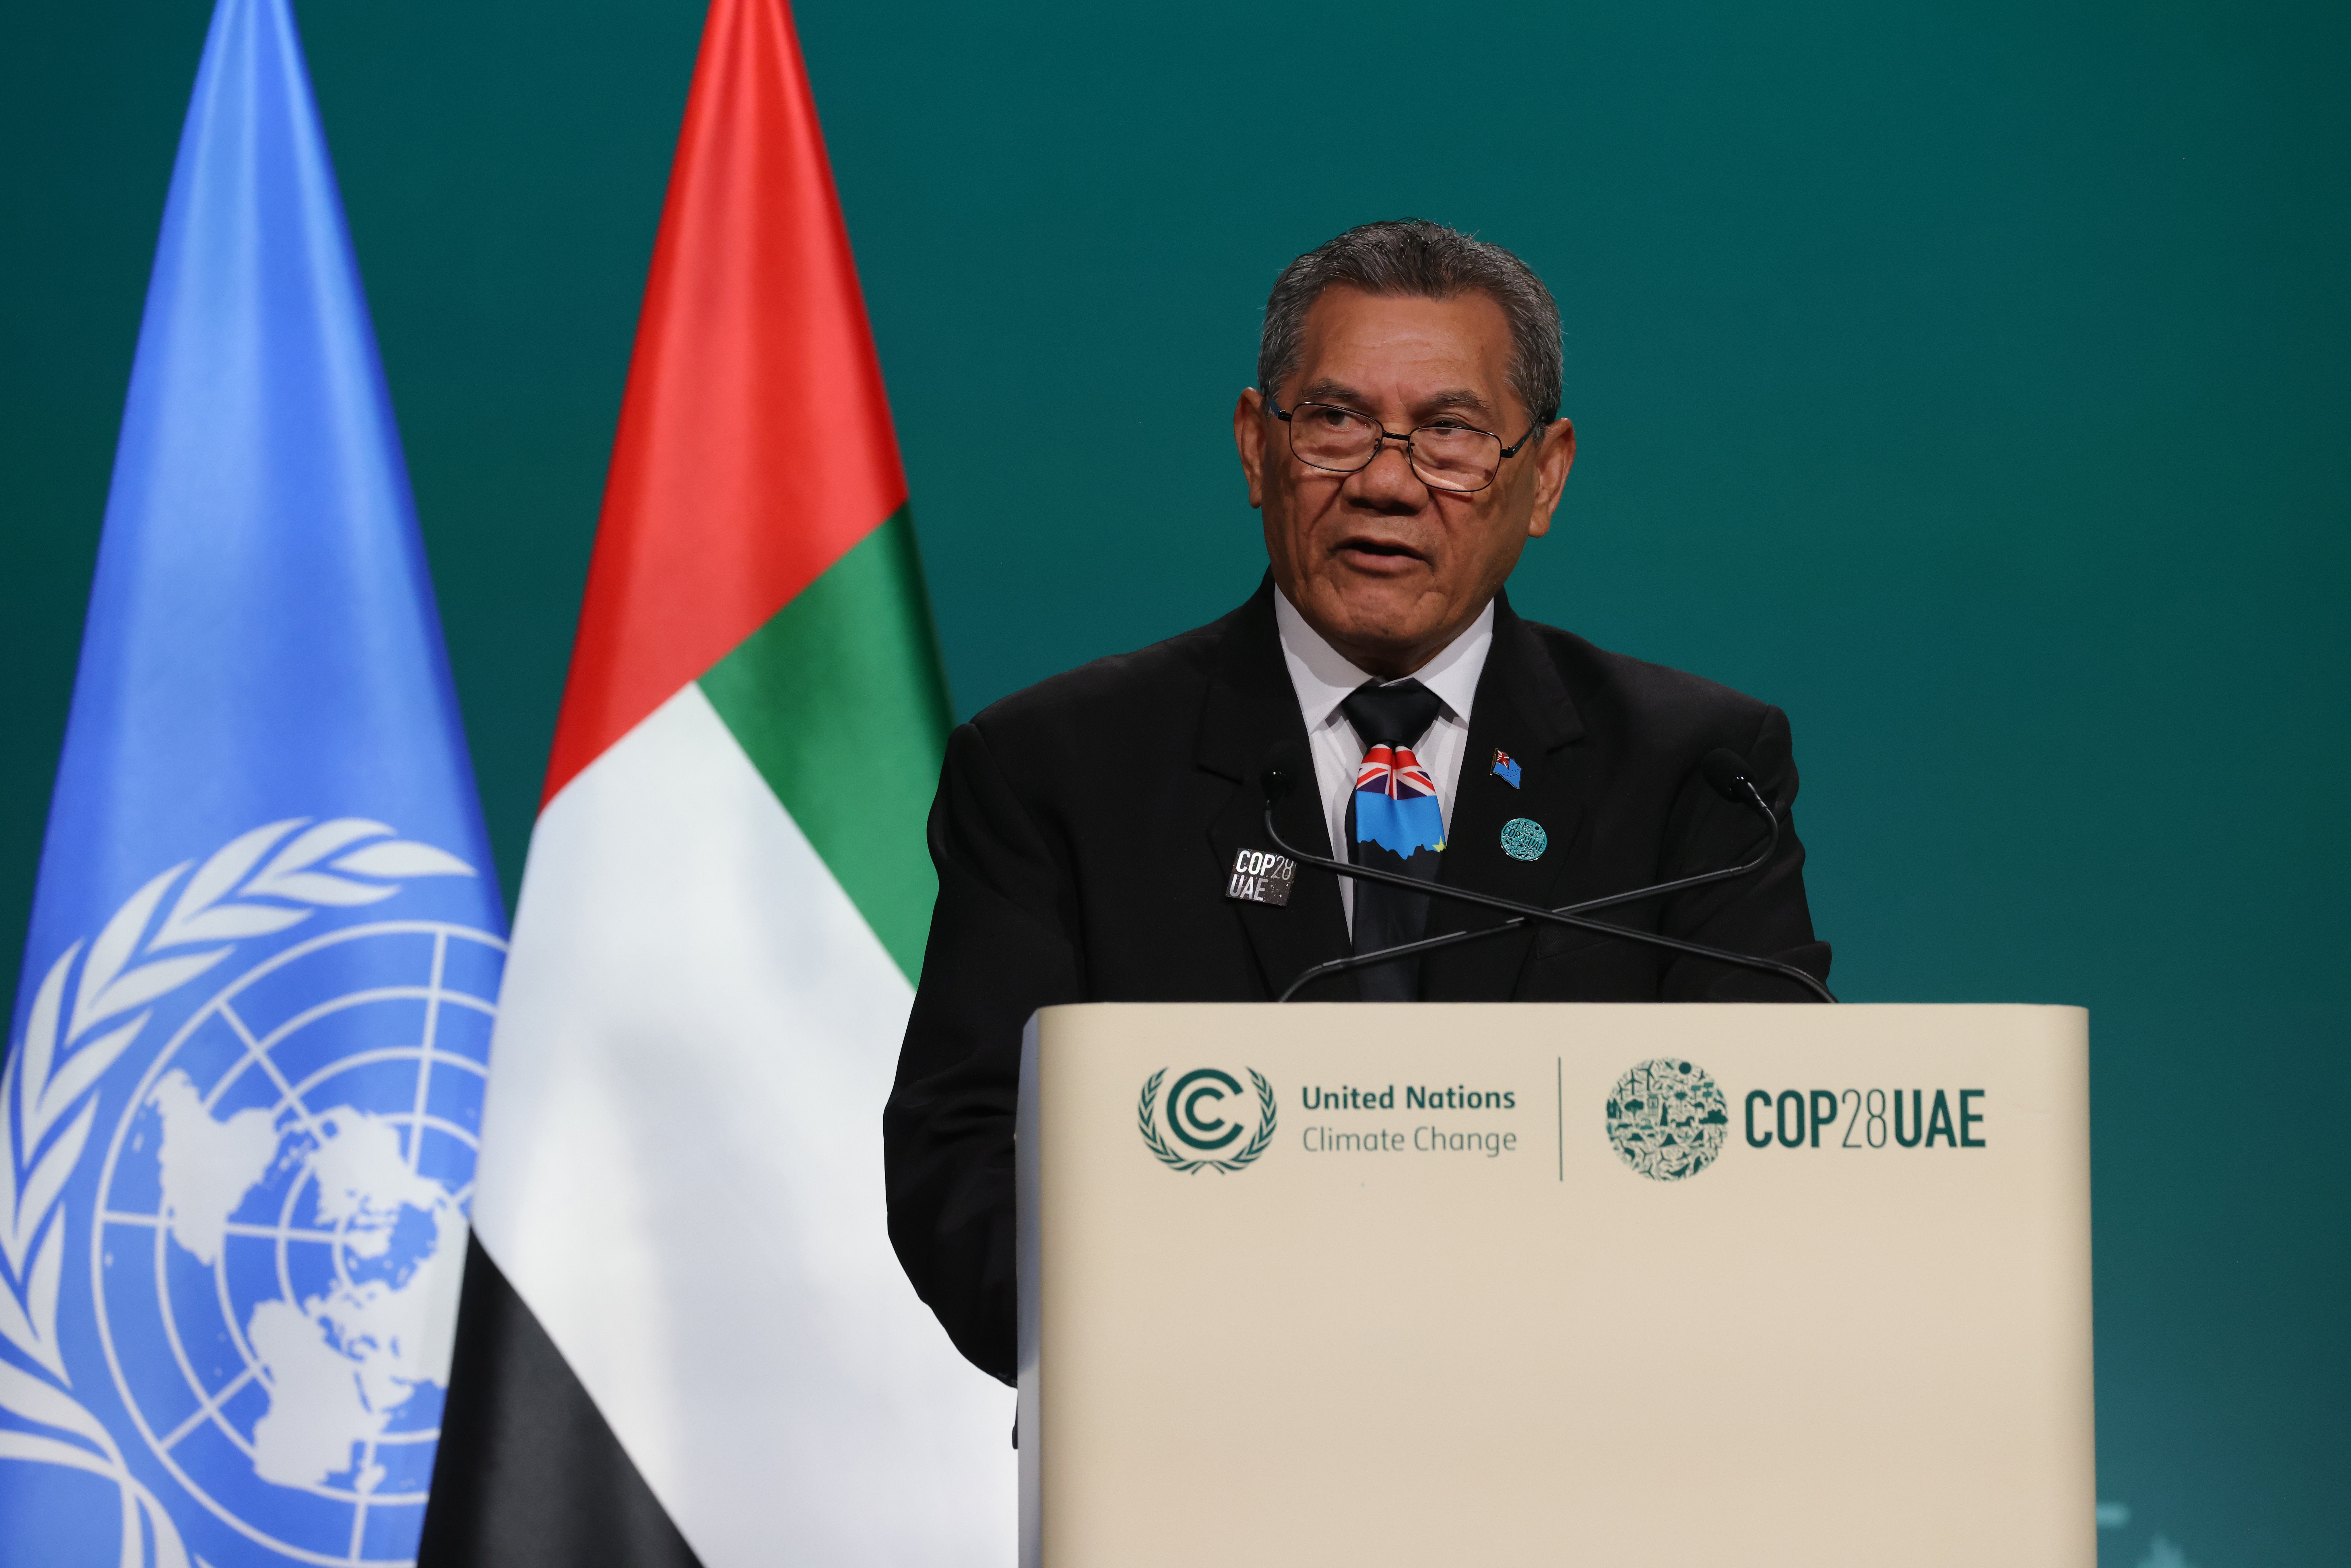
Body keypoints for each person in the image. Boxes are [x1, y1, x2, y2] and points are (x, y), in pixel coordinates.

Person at [883, 219, 1831, 1383]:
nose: (1385, 481)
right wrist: (1188, 1363)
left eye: (1449, 434)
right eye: (1334, 422)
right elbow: (964, 1160)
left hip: (1577, 1456)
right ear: (1253, 446)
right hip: (1195, 1466)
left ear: (1542, 476)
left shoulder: (1695, 774)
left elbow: (1754, 1145)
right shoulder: (1055, 770)